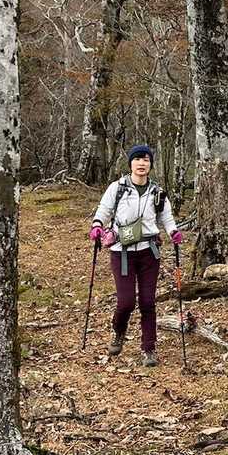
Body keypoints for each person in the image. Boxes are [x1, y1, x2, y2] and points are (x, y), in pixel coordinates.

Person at [89, 144, 182, 365]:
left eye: (146, 160)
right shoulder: (117, 188)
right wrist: (97, 224)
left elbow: (166, 217)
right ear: (130, 163)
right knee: (126, 302)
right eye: (137, 159)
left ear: (150, 164)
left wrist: (173, 232)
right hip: (121, 252)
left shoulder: (157, 192)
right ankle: (118, 331)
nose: (141, 163)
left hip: (149, 252)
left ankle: (149, 349)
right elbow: (104, 209)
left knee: (148, 302)